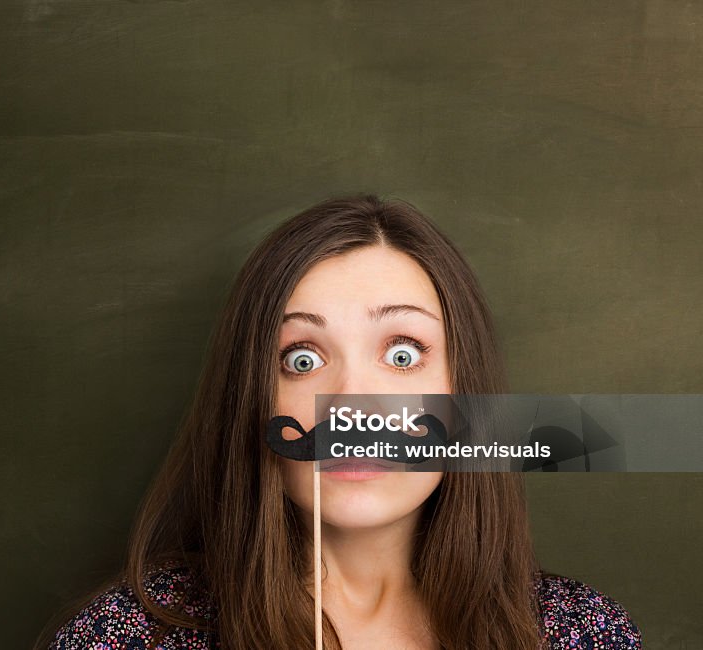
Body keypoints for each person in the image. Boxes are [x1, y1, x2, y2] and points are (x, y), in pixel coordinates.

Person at [36, 195, 641, 649]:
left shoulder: (581, 633)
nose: (353, 403)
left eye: (402, 354)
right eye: (303, 358)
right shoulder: (129, 638)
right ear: (252, 401)